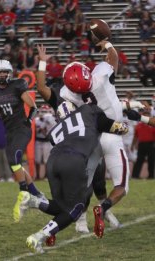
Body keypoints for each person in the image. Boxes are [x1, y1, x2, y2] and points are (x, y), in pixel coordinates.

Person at [35, 44, 146, 237]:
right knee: (103, 183)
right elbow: (107, 118)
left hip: (70, 147)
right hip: (92, 141)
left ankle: (71, 220)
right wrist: (125, 122)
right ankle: (93, 215)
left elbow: (41, 87)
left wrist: (43, 62)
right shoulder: (96, 85)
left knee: (83, 186)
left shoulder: (65, 97)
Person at [16, 100, 128, 253]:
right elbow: (120, 128)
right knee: (77, 207)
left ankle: (33, 201)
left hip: (53, 161)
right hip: (74, 160)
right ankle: (38, 236)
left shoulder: (55, 130)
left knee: (62, 206)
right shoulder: (87, 114)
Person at [0, 59, 45, 222]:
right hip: (9, 131)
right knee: (14, 164)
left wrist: (28, 121)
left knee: (16, 158)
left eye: (4, 72)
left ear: (9, 73)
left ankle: (24, 193)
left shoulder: (17, 85)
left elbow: (33, 106)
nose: (2, 75)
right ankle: (37, 194)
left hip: (22, 128)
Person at [35, 104, 56, 180]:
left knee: (46, 160)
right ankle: (37, 176)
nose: (43, 113)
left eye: (45, 111)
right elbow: (36, 131)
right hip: (38, 140)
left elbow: (49, 131)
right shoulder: (36, 120)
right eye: (42, 111)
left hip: (47, 142)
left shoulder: (51, 120)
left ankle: (46, 176)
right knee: (37, 159)